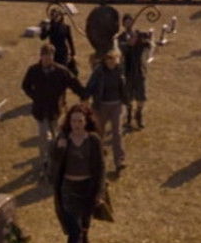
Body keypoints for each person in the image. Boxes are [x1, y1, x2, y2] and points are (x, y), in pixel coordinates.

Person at [50, 103, 105, 243]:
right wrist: (59, 147)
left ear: (86, 121)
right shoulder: (63, 138)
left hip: (87, 187)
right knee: (74, 230)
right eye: (74, 121)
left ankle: (85, 235)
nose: (77, 125)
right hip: (68, 189)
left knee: (85, 221)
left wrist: (99, 192)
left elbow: (100, 168)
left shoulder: (94, 140)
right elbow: (53, 161)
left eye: (80, 121)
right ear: (69, 122)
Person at [21, 44, 86, 177]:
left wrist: (84, 94)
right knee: (44, 138)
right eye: (45, 55)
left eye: (50, 56)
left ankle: (55, 163)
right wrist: (35, 96)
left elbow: (74, 83)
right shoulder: (33, 70)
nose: (48, 58)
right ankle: (44, 165)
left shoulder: (61, 71)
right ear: (41, 56)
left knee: (56, 137)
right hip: (40, 110)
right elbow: (25, 85)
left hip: (55, 110)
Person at [84, 49, 127, 172]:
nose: (112, 62)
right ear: (106, 60)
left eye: (115, 60)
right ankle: (97, 158)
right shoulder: (99, 71)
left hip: (116, 105)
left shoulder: (119, 70)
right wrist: (85, 97)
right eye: (110, 59)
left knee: (117, 132)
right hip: (101, 106)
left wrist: (126, 99)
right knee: (99, 133)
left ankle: (119, 161)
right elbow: (90, 85)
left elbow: (123, 86)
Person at [116, 13, 152, 129]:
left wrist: (146, 40)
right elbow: (121, 48)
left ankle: (139, 114)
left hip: (139, 70)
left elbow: (149, 45)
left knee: (141, 96)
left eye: (130, 21)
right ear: (123, 24)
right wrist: (129, 43)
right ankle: (129, 116)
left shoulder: (139, 34)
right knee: (128, 97)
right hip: (127, 72)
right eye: (126, 22)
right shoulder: (121, 38)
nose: (128, 24)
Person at [40, 9, 78, 76]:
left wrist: (73, 53)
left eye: (57, 15)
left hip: (63, 52)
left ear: (61, 16)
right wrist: (44, 28)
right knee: (52, 70)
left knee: (62, 70)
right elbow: (42, 37)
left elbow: (70, 40)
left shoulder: (66, 27)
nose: (55, 17)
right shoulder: (50, 27)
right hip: (52, 52)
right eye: (53, 15)